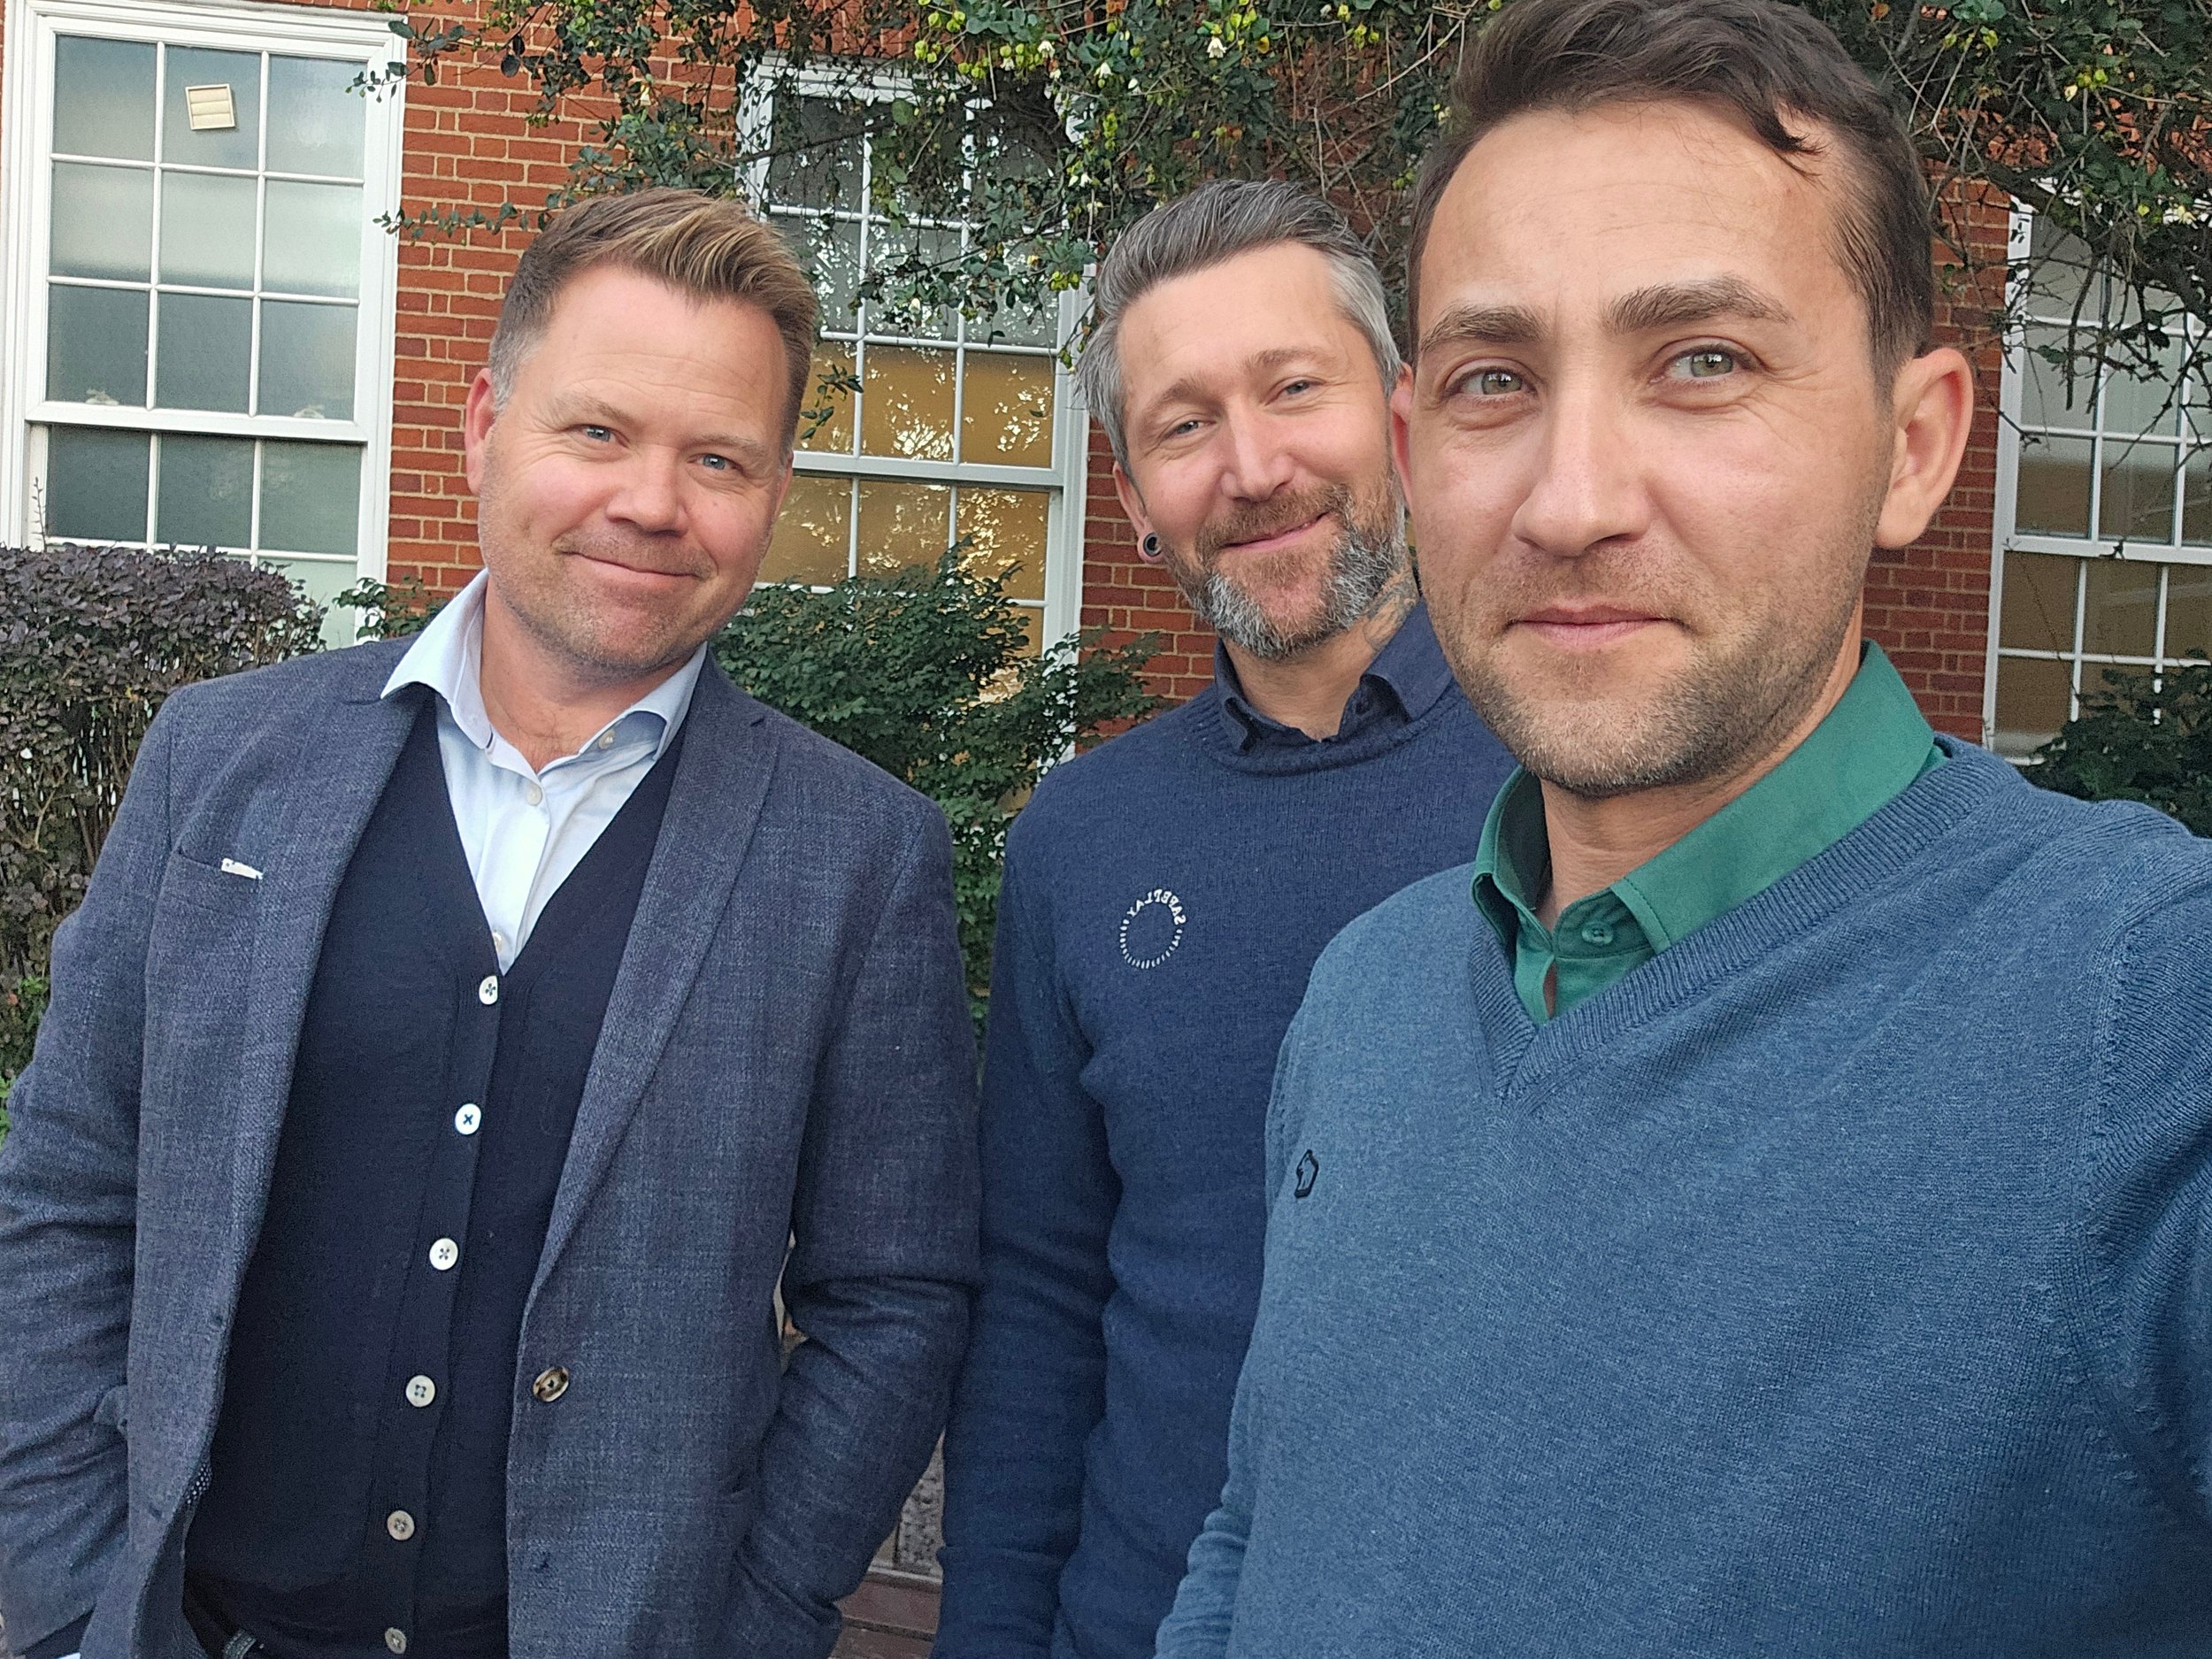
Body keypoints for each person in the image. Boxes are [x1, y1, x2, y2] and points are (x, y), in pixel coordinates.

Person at [1156, 0, 2212, 1653]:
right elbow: (1259, 1521)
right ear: (1421, 457)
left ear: (1913, 447)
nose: (1573, 500)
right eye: (1499, 380)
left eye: (1702, 363)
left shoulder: (2150, 1019)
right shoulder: (1365, 1001)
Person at [0, 188, 978, 1659]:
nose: (653, 501)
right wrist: (72, 1592)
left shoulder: (854, 855)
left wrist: (755, 1613)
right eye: (597, 432)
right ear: (482, 425)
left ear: (775, 492)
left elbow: (893, 1296)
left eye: (718, 457)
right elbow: (70, 1189)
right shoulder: (222, 768)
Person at [933, 180, 1515, 1659]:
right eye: (1184, 425)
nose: (1251, 467)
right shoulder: (1083, 837)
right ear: (1130, 498)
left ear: (1399, 419)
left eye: (1292, 391)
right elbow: (1042, 1307)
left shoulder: (1586, 770)